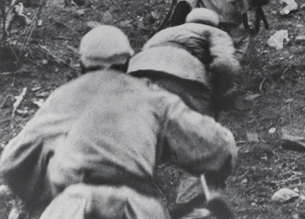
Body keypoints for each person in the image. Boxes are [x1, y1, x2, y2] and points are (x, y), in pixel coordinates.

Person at [0, 26, 237, 219]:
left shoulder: (62, 98)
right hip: (137, 206)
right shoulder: (153, 97)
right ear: (127, 63)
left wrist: (44, 194)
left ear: (82, 65)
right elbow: (217, 147)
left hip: (72, 205)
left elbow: (12, 162)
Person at [128, 8, 242, 218]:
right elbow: (225, 64)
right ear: (215, 23)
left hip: (136, 81)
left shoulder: (162, 34)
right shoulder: (214, 32)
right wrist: (225, 94)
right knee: (199, 139)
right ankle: (194, 202)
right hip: (184, 80)